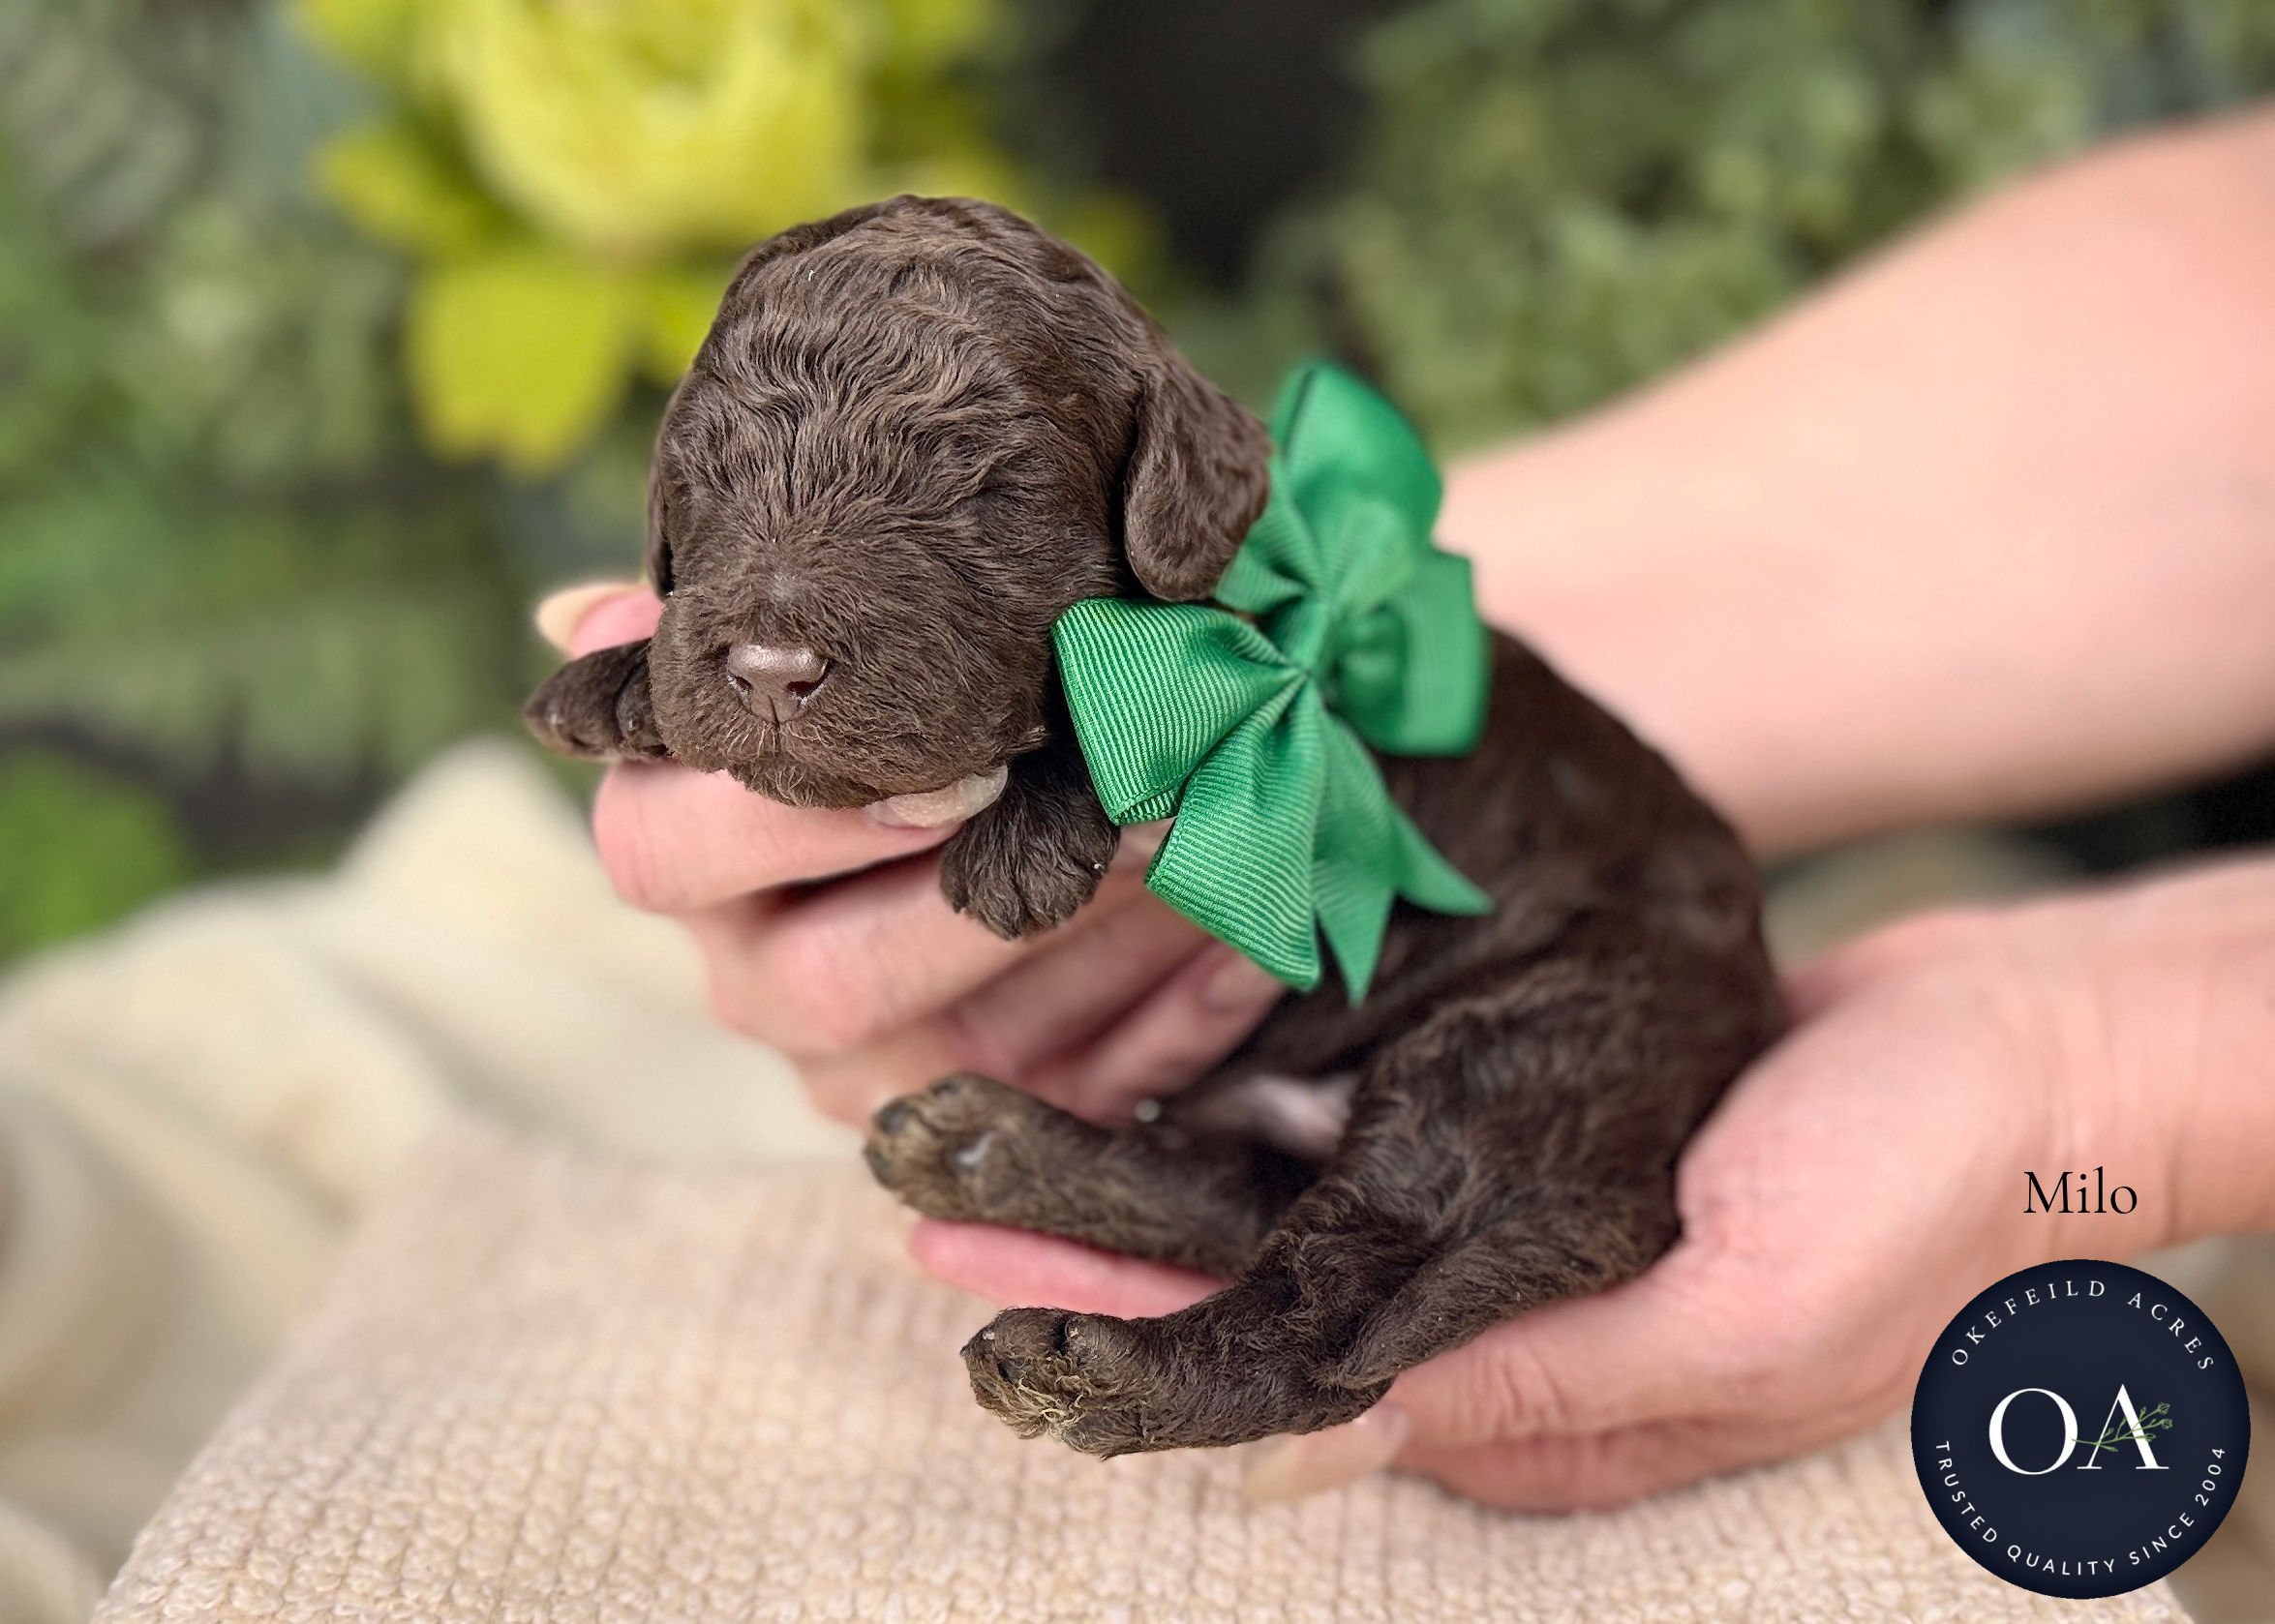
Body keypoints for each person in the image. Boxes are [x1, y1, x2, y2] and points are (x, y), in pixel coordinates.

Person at [538, 106, 2275, 1507]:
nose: (776, 614)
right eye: (725, 481)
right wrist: (673, 685)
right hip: (1320, 1017)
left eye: (974, 498)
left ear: (1169, 485)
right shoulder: (1214, 585)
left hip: (1588, 966)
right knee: (1312, 1089)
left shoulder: (1193, 571)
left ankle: (1253, 1352)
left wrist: (2099, 1078)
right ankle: (1193, 1190)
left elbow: (1190, 680)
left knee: (1449, 1131)